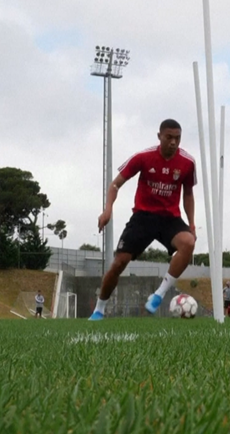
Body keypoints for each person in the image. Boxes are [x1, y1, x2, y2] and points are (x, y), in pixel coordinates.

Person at [89, 119, 196, 321]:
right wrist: (107, 210)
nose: (174, 142)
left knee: (188, 242)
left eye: (178, 138)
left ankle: (158, 295)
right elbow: (115, 185)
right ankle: (99, 309)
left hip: (169, 219)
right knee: (119, 262)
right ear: (159, 136)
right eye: (169, 137)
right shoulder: (143, 157)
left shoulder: (187, 163)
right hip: (143, 217)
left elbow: (188, 194)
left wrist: (191, 223)